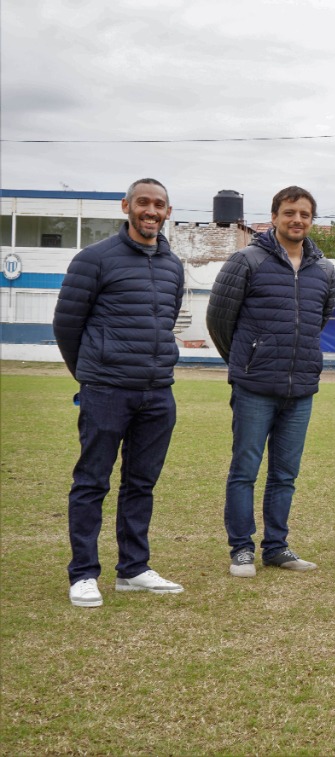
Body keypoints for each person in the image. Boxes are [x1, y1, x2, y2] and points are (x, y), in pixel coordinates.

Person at [54, 178, 186, 607]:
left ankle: (133, 568)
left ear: (168, 212)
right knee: (92, 482)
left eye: (160, 205)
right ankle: (83, 574)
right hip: (106, 390)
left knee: (141, 484)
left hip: (157, 392)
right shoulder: (94, 259)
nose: (151, 211)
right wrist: (91, 374)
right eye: (143, 202)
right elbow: (67, 325)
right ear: (126, 206)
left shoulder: (172, 264)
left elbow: (165, 320)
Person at [208, 185, 335, 578]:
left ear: (312, 220)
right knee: (245, 470)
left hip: (300, 391)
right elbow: (219, 320)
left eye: (305, 214)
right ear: (275, 216)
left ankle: (276, 547)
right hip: (254, 389)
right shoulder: (246, 260)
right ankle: (242, 548)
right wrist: (246, 362)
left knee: (285, 474)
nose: (297, 220)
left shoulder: (324, 270)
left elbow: (318, 320)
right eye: (289, 212)